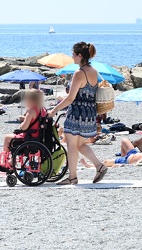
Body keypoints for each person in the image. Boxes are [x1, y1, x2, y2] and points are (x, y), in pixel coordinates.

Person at [49, 42, 107, 185]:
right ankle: (99, 166)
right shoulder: (93, 71)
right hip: (89, 113)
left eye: (74, 54)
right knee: (80, 145)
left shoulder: (79, 73)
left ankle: (73, 177)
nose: (72, 56)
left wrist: (55, 109)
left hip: (77, 113)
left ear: (80, 55)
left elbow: (71, 98)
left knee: (72, 145)